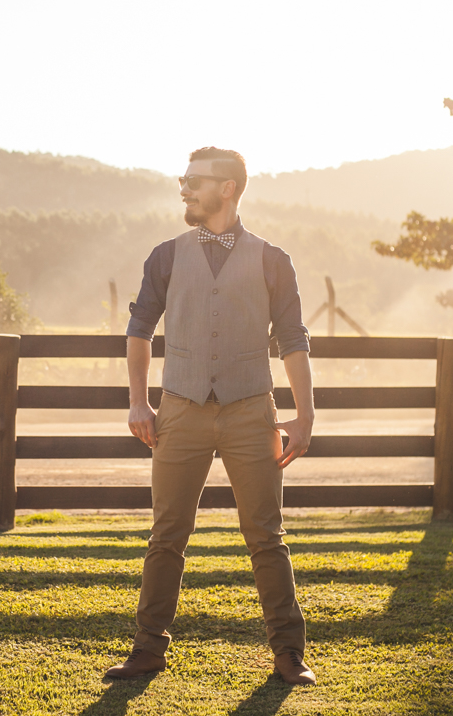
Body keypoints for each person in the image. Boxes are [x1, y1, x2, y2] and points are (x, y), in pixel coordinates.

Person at [105, 146, 316, 686]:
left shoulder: (274, 260)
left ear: (227, 188)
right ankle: (148, 649)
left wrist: (305, 413)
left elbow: (292, 339)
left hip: (252, 412)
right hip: (180, 410)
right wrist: (137, 400)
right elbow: (139, 330)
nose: (184, 187)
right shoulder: (166, 255)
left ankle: (289, 653)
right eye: (183, 178)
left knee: (266, 536)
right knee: (166, 535)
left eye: (194, 179)